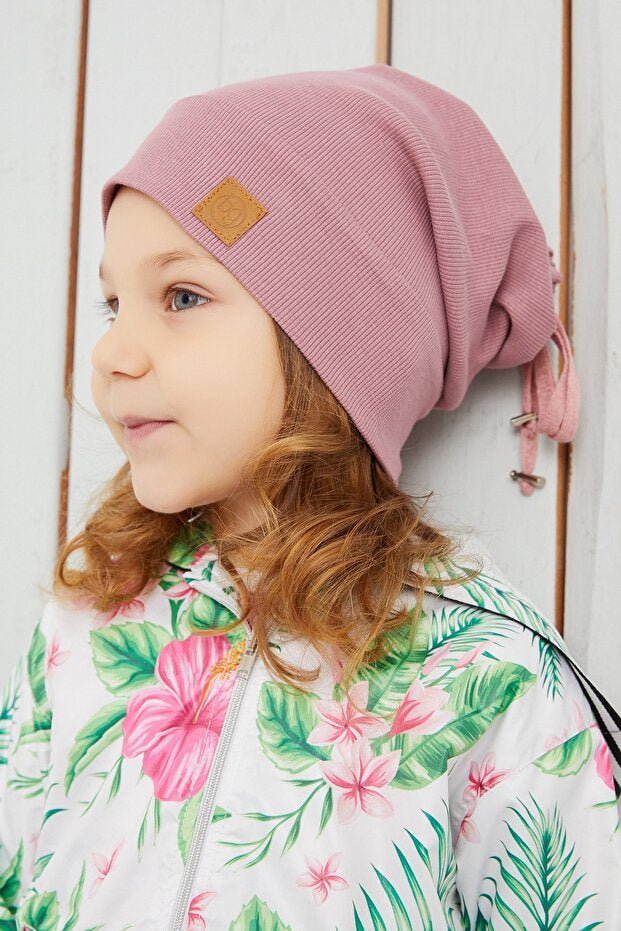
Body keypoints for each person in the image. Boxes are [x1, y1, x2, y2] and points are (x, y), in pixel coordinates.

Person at [1, 63, 620, 930]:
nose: (111, 355)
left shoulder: (490, 675)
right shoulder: (90, 616)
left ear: (339, 343)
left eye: (181, 295)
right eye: (113, 306)